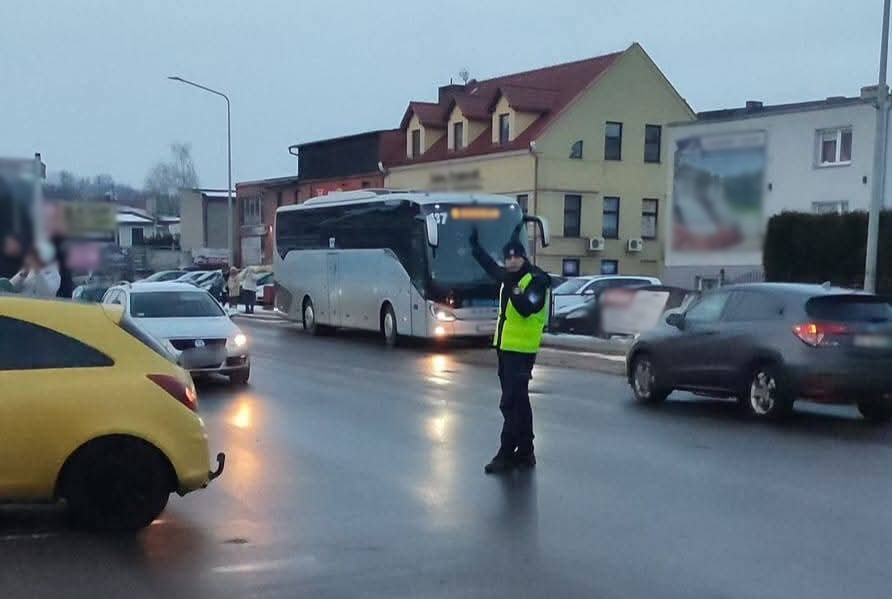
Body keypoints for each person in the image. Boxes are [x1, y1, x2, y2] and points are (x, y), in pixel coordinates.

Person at [471, 227, 551, 474]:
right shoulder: (509, 276)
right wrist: (475, 248)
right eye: (508, 257)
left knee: (510, 404)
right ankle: (526, 452)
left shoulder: (537, 279)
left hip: (522, 352)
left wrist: (513, 285)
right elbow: (492, 268)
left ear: (524, 257)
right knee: (520, 403)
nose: (512, 261)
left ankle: (506, 454)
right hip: (506, 350)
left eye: (516, 256)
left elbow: (527, 308)